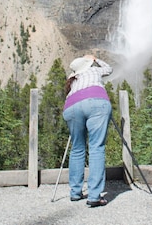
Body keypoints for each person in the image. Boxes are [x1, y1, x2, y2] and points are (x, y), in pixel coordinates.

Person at [63, 54, 113, 207]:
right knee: (96, 147)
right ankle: (94, 195)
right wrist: (95, 59)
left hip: (71, 107)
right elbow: (109, 69)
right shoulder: (93, 71)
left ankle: (75, 192)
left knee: (77, 148)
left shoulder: (72, 78)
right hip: (96, 102)